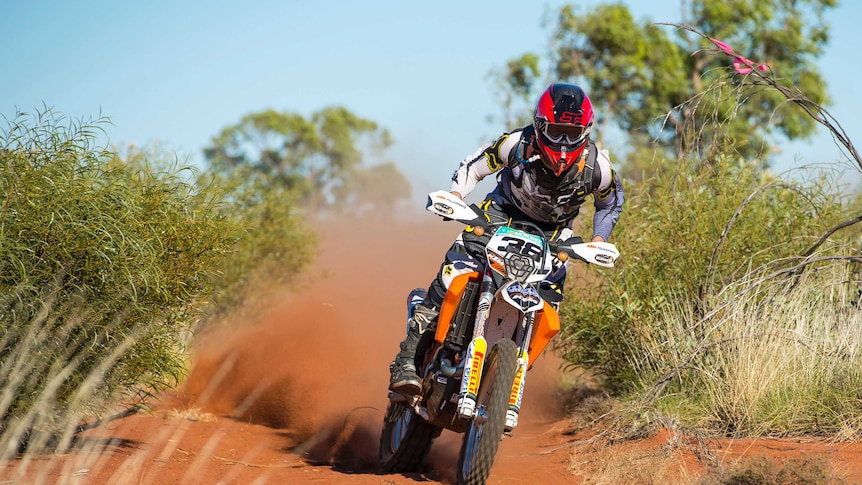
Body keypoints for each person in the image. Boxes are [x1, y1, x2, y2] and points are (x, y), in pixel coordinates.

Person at [389, 83, 625, 396]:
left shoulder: (599, 167)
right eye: (557, 131)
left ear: (586, 130)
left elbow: (610, 203)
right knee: (453, 275)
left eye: (573, 132)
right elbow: (474, 166)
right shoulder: (516, 143)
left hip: (553, 236)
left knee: (547, 306)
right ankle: (407, 360)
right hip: (500, 217)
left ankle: (508, 373)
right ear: (540, 125)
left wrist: (598, 239)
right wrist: (456, 195)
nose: (565, 143)